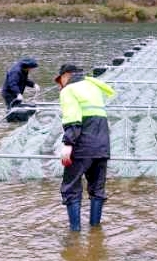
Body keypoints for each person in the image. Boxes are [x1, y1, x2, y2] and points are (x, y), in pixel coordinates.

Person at [55, 63, 116, 231]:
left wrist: (68, 144)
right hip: (102, 146)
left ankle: (75, 233)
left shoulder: (69, 90)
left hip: (81, 147)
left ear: (66, 75)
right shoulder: (93, 89)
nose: (61, 83)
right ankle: (95, 230)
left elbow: (73, 119)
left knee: (71, 188)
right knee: (97, 189)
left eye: (61, 79)